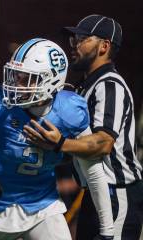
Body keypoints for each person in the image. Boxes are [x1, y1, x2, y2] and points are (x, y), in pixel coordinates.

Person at [0, 38, 113, 240]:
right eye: (15, 75)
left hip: (42, 206)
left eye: (26, 78)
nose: (16, 84)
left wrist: (107, 230)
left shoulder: (69, 110)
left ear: (51, 80)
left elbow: (93, 170)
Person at [24, 15, 143, 240]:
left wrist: (60, 143)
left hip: (118, 192)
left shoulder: (109, 86)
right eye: (74, 39)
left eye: (82, 39)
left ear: (104, 46)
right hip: (95, 191)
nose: (74, 45)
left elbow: (103, 143)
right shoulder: (84, 87)